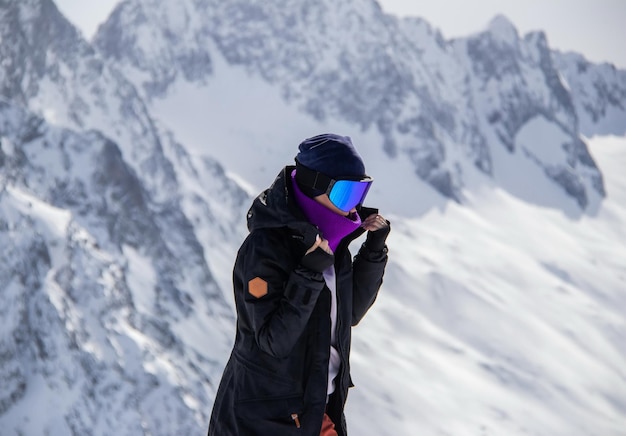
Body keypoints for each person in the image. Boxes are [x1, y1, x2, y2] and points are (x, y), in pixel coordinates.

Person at [208, 133, 390, 436]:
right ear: (314, 186)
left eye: (361, 194)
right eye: (346, 194)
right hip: (260, 423)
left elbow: (350, 314)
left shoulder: (332, 246)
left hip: (317, 412)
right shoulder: (264, 248)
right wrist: (308, 275)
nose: (352, 209)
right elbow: (272, 341)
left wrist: (373, 253)